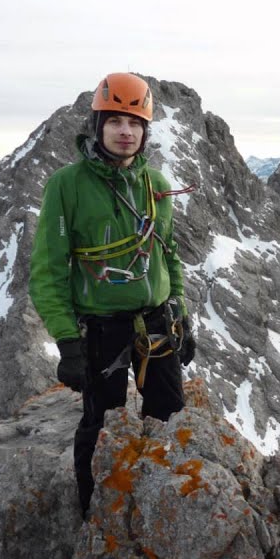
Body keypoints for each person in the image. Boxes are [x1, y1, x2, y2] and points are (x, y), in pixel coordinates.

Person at [28, 72, 196, 518]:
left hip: (156, 322)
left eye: (135, 123)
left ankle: (164, 513)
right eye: (116, 121)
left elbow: (168, 252)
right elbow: (48, 270)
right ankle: (95, 517)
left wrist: (181, 311)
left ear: (145, 132)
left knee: (169, 417)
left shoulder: (155, 183)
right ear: (97, 125)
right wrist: (68, 342)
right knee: (101, 424)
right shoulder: (67, 185)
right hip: (102, 328)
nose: (126, 132)